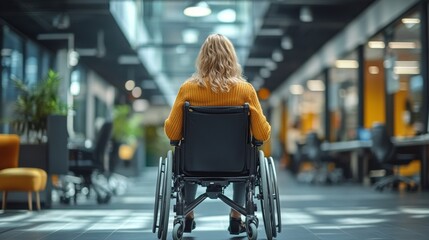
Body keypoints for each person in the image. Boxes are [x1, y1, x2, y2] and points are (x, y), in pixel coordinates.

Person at [164, 34, 271, 235]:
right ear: (231, 58)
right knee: (249, 151)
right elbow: (261, 134)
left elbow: (172, 133)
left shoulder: (187, 89)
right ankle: (236, 217)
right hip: (236, 164)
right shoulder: (245, 90)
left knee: (183, 150)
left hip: (194, 164)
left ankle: (187, 215)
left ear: (202, 59)